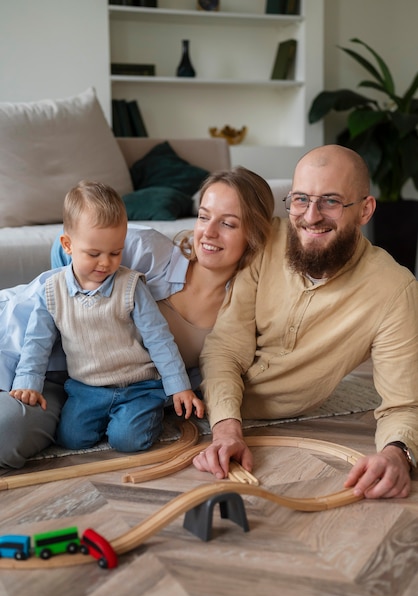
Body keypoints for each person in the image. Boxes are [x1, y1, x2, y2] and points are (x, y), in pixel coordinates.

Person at [0, 166, 274, 467]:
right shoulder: (144, 249)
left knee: (6, 435)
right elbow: (65, 247)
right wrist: (75, 313)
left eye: (228, 224)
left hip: (88, 389)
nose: (208, 233)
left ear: (254, 233)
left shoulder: (240, 311)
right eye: (204, 216)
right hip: (25, 348)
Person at [194, 145, 418, 500]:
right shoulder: (267, 238)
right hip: (193, 386)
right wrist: (226, 431)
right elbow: (225, 348)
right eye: (300, 199)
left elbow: (403, 404)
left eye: (330, 201)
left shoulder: (395, 289)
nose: (311, 216)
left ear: (365, 210)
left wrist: (397, 454)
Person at [9, 180, 205, 452]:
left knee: (127, 441)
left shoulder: (132, 286)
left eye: (115, 252)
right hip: (86, 389)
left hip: (138, 386)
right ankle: (113, 418)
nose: (105, 263)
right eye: (94, 254)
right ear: (67, 245)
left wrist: (179, 387)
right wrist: (27, 383)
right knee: (72, 439)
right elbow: (37, 342)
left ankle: (148, 410)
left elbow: (159, 339)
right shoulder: (51, 290)